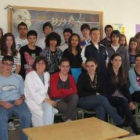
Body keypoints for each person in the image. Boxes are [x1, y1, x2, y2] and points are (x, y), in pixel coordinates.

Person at [77, 57, 129, 126]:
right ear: (86, 67)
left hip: (98, 101)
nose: (90, 68)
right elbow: (79, 93)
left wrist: (98, 95)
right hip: (84, 101)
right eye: (88, 66)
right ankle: (118, 120)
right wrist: (94, 94)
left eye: (92, 66)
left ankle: (99, 131)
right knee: (101, 98)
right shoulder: (82, 76)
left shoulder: (100, 76)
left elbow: (104, 90)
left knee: (101, 108)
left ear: (96, 65)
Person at [107, 53, 140, 135]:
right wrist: (126, 100)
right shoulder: (107, 73)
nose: (118, 62)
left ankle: (119, 131)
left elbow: (126, 90)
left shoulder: (122, 73)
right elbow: (105, 90)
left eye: (120, 60)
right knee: (122, 101)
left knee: (120, 108)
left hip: (121, 98)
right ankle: (134, 125)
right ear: (111, 61)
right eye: (115, 60)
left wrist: (130, 102)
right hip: (110, 97)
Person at [0, 55, 31, 140]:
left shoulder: (18, 77)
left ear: (13, 65)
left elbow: (24, 94)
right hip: (3, 103)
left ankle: (24, 138)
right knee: (1, 118)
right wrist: (2, 103)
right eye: (6, 64)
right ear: (2, 64)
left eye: (10, 64)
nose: (8, 66)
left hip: (18, 102)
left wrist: (21, 99)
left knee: (26, 115)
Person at [24, 56, 58, 127]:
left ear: (45, 66)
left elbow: (45, 91)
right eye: (38, 63)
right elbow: (32, 94)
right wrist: (47, 100)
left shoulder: (47, 74)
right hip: (32, 100)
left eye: (43, 63)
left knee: (49, 109)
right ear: (35, 65)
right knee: (40, 114)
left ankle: (48, 131)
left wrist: (49, 101)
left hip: (44, 99)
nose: (40, 65)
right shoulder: (29, 76)